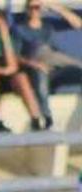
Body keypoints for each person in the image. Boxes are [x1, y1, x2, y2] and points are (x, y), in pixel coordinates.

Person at [13, 0, 82, 130]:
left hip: (53, 57)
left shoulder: (48, 25)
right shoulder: (20, 29)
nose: (35, 11)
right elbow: (15, 55)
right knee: (40, 81)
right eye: (32, 8)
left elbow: (77, 23)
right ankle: (47, 117)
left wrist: (52, 6)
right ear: (27, 10)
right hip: (35, 61)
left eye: (38, 8)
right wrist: (35, 64)